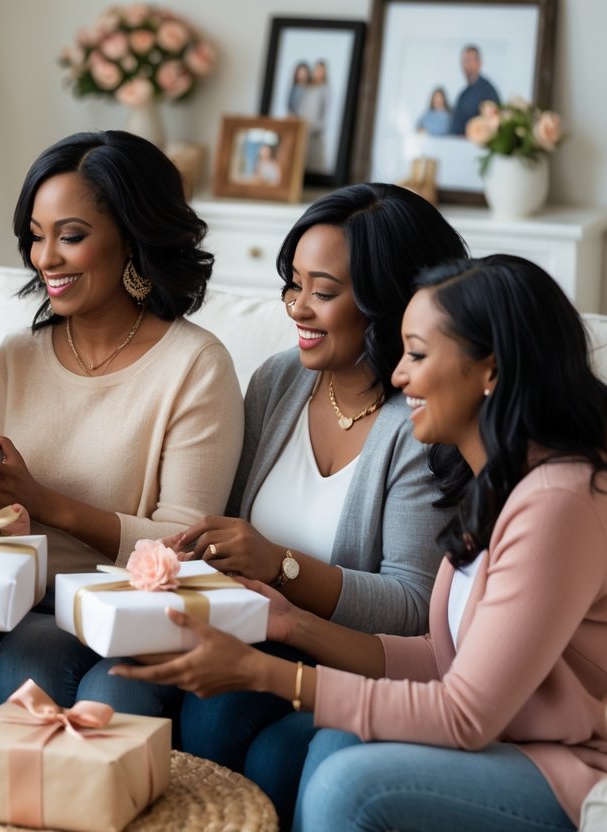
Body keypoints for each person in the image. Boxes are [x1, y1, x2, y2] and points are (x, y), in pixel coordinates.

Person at [116, 254, 607, 832]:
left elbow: (464, 713)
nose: (399, 375)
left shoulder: (558, 500)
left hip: (566, 766)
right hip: (509, 739)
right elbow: (437, 657)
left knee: (348, 785)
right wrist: (290, 624)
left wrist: (264, 672)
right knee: (329, 746)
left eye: (418, 355)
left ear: (489, 371)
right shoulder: (499, 482)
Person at [166, 183, 467, 827]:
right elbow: (228, 537)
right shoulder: (277, 380)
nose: (297, 307)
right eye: (292, 284)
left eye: (323, 291)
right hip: (264, 640)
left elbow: (415, 610)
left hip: (363, 664)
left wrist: (282, 566)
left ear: (389, 304)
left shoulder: (421, 419)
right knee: (206, 709)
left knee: (279, 753)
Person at [0, 130, 244, 712]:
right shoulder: (16, 355)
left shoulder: (196, 365)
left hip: (144, 612)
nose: (45, 258)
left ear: (130, 237)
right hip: (36, 606)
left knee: (116, 693)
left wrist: (47, 504)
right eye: (36, 237)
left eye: (70, 237)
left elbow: (182, 550)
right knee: (30, 667)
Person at [449, 44, 500, 135]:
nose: (467, 65)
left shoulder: (488, 91)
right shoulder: (463, 94)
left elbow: (492, 124)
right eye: (464, 61)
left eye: (469, 60)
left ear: (479, 63)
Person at [297, 60, 330, 172]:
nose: (318, 73)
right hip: (304, 129)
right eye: (317, 70)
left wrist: (317, 126)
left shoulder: (326, 89)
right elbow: (302, 107)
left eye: (321, 70)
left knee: (315, 161)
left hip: (315, 131)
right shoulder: (309, 88)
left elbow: (325, 111)